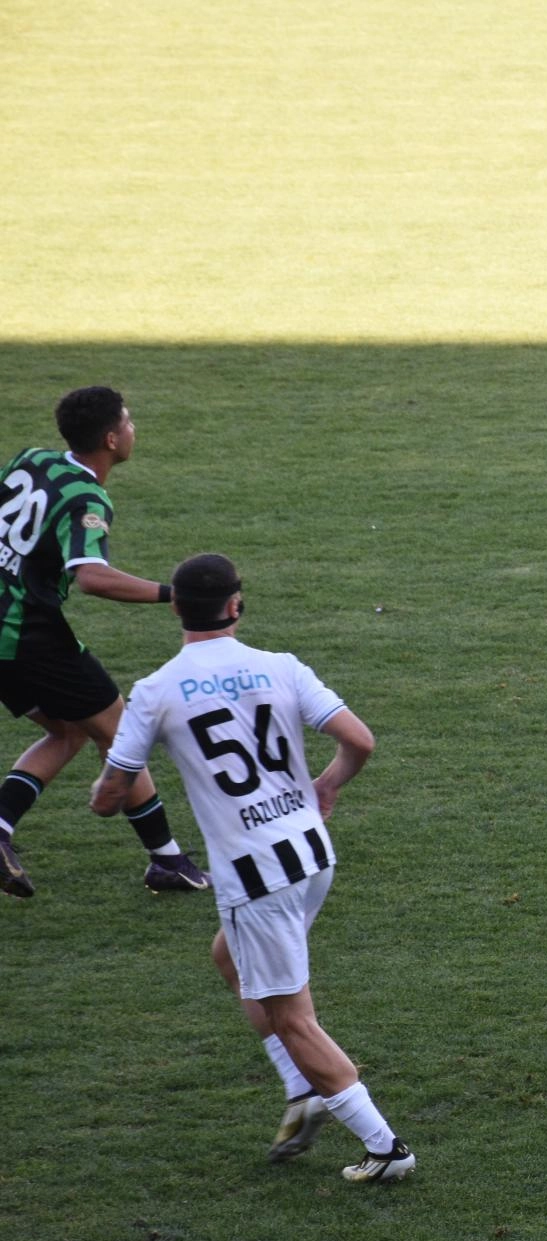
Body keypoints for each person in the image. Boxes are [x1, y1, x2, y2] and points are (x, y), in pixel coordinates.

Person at [90, 554, 415, 1183]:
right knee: (229, 958)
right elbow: (360, 740)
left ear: (176, 607)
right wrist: (327, 785)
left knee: (293, 1018)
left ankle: (385, 1149)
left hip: (256, 875)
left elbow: (111, 795)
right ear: (236, 605)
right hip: (311, 853)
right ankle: (302, 1088)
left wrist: (100, 794)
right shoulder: (281, 666)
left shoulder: (156, 691)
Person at [0, 385, 207, 899]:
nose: (134, 429)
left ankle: (2, 827)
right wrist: (175, 594)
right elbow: (92, 577)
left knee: (68, 730)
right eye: (128, 422)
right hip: (25, 632)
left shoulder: (32, 459)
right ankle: (166, 861)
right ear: (111, 439)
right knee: (119, 730)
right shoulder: (87, 498)